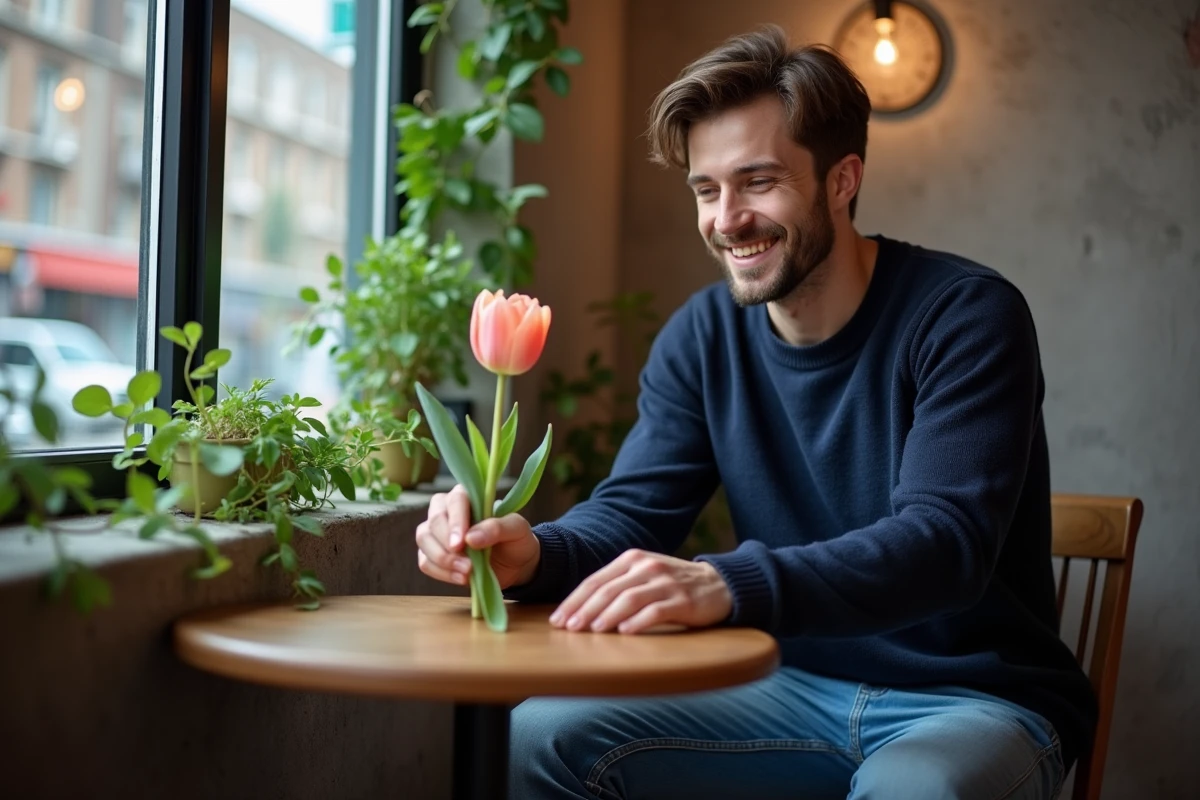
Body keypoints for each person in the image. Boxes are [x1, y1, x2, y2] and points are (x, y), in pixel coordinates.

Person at [414, 24, 1095, 800]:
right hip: (783, 685)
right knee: (541, 734)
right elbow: (635, 511)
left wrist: (726, 583)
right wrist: (532, 556)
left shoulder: (966, 316)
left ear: (842, 181)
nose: (726, 218)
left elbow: (945, 544)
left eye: (759, 181)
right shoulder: (702, 337)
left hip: (973, 701)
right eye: (707, 189)